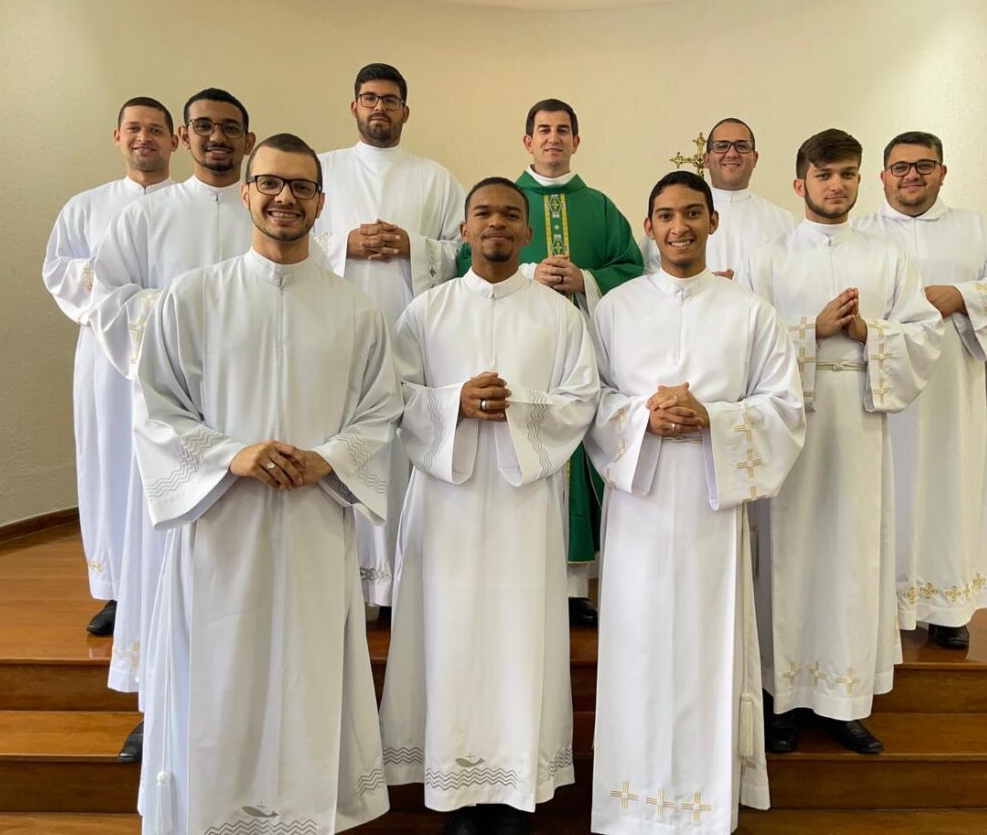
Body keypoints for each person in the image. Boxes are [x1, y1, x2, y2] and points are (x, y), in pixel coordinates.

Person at [133, 133, 401, 835]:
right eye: (272, 184)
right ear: (247, 191)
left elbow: (380, 414)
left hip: (314, 522)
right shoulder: (192, 298)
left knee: (306, 677)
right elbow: (156, 410)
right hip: (222, 524)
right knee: (222, 676)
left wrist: (331, 458)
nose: (286, 198)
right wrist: (231, 455)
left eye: (302, 187)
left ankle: (303, 815)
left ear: (320, 200)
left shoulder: (356, 310)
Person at [587, 171, 805, 834]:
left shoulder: (751, 312)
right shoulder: (614, 310)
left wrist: (710, 417)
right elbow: (587, 401)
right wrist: (642, 417)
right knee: (637, 650)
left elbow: (785, 410)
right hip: (640, 508)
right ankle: (631, 801)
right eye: (664, 215)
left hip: (713, 508)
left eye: (691, 213)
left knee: (708, 650)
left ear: (713, 222)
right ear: (648, 228)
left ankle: (704, 801)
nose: (678, 226)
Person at [380, 177, 599, 835]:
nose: (497, 223)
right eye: (484, 213)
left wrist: (517, 410)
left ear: (528, 232)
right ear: (465, 231)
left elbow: (581, 400)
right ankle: (452, 789)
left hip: (522, 501)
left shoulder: (559, 315)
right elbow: (393, 397)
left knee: (518, 636)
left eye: (511, 213)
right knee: (446, 635)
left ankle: (511, 786)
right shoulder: (427, 310)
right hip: (445, 500)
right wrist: (454, 403)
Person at [738, 129, 942, 755]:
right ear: (800, 183)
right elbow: (744, 345)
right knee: (784, 556)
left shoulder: (886, 259)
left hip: (857, 423)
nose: (838, 185)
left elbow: (924, 336)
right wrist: (811, 331)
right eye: (825, 174)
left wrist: (868, 332)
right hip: (789, 428)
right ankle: (777, 696)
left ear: (860, 181)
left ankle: (843, 700)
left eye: (849, 174)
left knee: (852, 558)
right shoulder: (766, 260)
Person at [89, 88, 256, 762]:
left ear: (249, 139)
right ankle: (158, 708)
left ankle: (240, 707)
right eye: (205, 127)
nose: (218, 138)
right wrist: (185, 313)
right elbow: (108, 302)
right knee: (165, 566)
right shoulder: (148, 215)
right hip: (173, 423)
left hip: (250, 418)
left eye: (231, 129)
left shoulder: (269, 209)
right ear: (186, 139)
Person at [457, 98, 643, 624]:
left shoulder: (601, 206)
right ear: (527, 142)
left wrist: (585, 279)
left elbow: (632, 269)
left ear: (576, 142)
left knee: (576, 450)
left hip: (577, 345)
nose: (553, 138)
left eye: (563, 130)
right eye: (543, 130)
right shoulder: (500, 202)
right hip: (516, 344)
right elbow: (463, 261)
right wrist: (531, 270)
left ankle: (573, 585)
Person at [857, 131, 987, 650]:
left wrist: (960, 294)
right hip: (883, 394)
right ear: (883, 175)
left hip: (950, 392)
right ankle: (880, 605)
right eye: (901, 166)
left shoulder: (975, 229)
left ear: (943, 172)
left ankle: (946, 606)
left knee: (947, 487)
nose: (912, 175)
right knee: (882, 491)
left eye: (924, 165)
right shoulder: (860, 234)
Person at [315, 62, 466, 613]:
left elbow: (461, 252)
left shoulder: (436, 178)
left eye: (391, 100)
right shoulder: (323, 170)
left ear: (406, 110)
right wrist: (343, 246)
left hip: (409, 336)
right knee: (343, 444)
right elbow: (289, 237)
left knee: (400, 453)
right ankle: (350, 586)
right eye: (369, 98)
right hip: (336, 335)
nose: (380, 107)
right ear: (354, 106)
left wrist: (413, 246)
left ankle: (400, 583)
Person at [41, 96, 177, 637]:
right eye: (134, 129)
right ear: (117, 138)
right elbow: (59, 271)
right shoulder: (85, 207)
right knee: (108, 461)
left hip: (171, 358)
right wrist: (114, 287)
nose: (144, 137)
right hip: (105, 358)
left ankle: (169, 573)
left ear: (176, 140)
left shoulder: (192, 206)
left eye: (156, 129)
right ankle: (116, 591)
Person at [643, 119, 792, 278]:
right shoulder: (671, 219)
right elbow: (651, 277)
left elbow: (790, 280)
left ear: (755, 158)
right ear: (706, 159)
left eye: (742, 146)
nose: (732, 154)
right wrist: (703, 284)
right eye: (722, 146)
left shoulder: (782, 220)